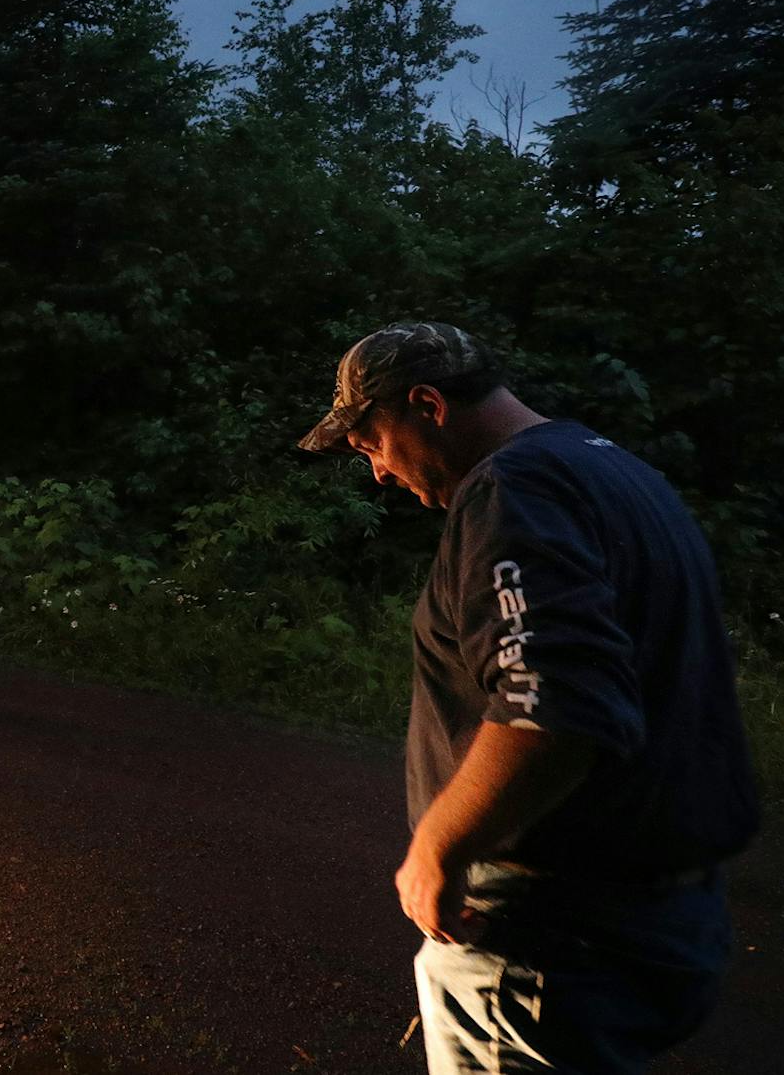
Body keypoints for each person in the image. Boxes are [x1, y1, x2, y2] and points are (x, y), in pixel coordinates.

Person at [297, 321, 758, 1074]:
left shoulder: (513, 489)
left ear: (427, 405)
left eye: (370, 441)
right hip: (668, 912)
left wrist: (441, 846)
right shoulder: (618, 471)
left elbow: (553, 702)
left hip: (550, 941)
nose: (377, 471)